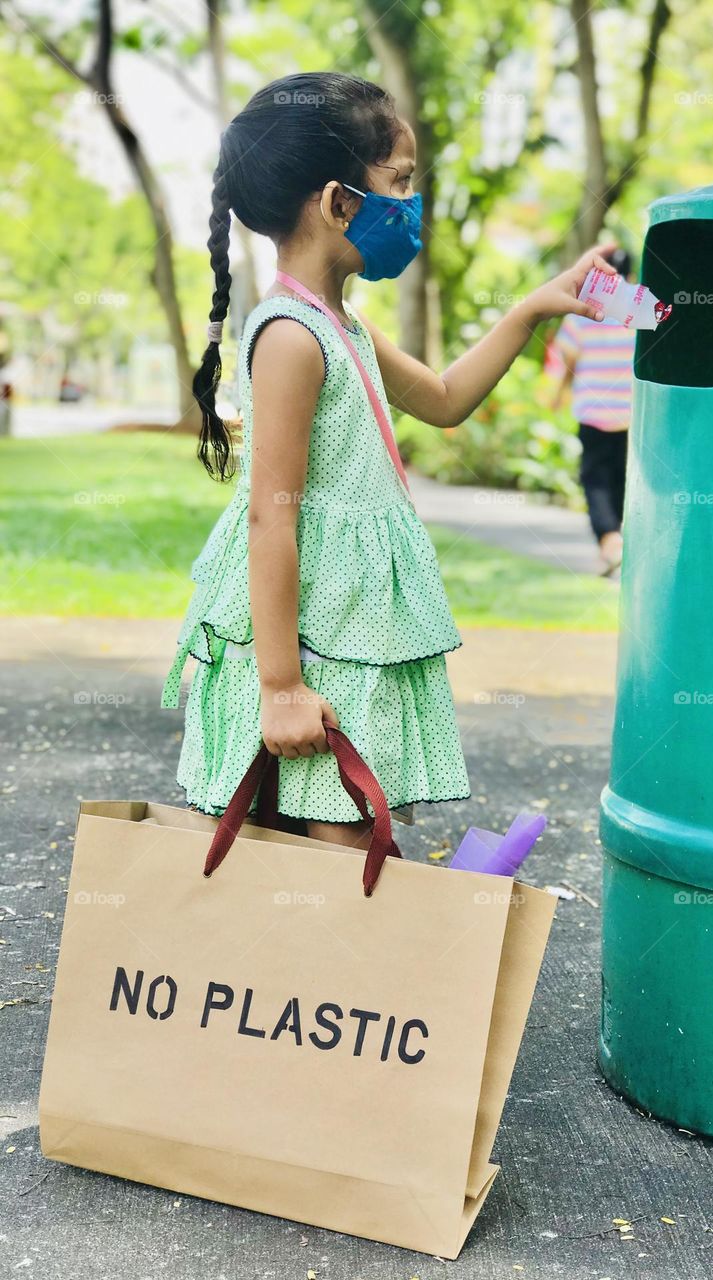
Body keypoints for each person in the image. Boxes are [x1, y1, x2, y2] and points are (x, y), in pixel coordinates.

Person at [160, 71, 614, 853]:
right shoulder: (293, 337)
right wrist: (280, 687)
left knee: (346, 839)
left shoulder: (345, 325)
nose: (411, 206)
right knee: (309, 845)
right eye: (399, 183)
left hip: (354, 623)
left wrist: (533, 308)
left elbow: (441, 398)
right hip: (308, 639)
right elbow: (273, 512)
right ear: (339, 202)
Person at [548, 246, 636, 576]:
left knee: (595, 480)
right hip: (631, 414)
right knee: (622, 478)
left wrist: (557, 394)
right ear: (631, 275)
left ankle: (611, 542)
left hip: (593, 413)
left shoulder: (584, 311)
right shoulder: (638, 311)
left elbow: (566, 358)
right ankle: (615, 545)